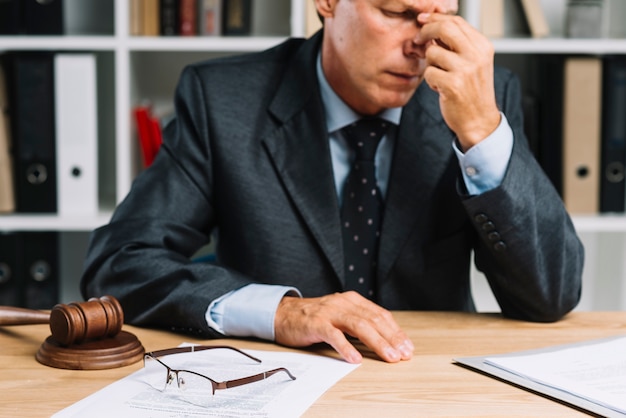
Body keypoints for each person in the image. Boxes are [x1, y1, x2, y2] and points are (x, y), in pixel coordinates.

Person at [81, 0, 583, 365]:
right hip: (270, 381)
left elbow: (551, 295)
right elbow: (117, 265)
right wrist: (278, 312)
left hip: (429, 380)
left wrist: (481, 134)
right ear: (326, 3)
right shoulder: (222, 100)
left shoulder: (479, 98)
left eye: (440, 17)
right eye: (395, 13)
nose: (422, 44)